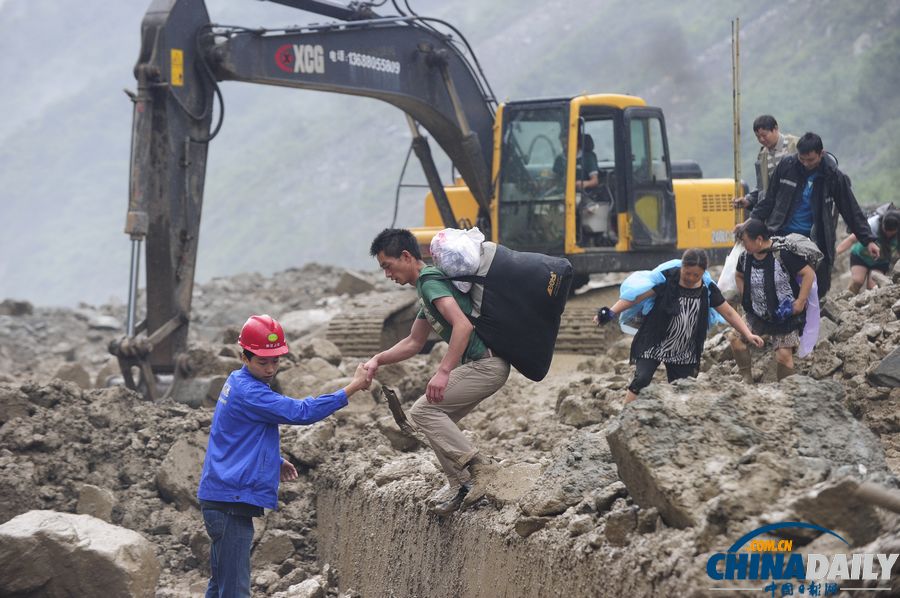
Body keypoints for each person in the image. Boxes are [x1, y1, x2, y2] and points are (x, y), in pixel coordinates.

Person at [198, 314, 370, 598]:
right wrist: (352, 388)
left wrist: (272, 461)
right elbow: (302, 412)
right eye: (263, 362)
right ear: (244, 356)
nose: (270, 369)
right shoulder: (251, 392)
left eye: (275, 361)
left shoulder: (237, 382)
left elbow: (233, 435)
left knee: (221, 586)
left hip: (222, 498)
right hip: (229, 503)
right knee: (235, 590)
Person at [364, 228, 510, 516]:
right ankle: (461, 485)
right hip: (485, 366)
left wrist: (443, 371)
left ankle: (480, 468)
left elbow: (463, 326)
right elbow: (413, 342)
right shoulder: (426, 290)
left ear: (406, 256)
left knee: (422, 412)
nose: (387, 275)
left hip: (487, 364)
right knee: (434, 423)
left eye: (387, 266)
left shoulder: (431, 282)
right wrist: (377, 360)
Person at [594, 249, 763, 404]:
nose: (690, 278)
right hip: (655, 340)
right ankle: (623, 419)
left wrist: (748, 334)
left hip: (684, 347)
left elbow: (729, 313)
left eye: (696, 275)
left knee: (683, 388)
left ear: (703, 272)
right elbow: (635, 298)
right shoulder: (667, 278)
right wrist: (609, 313)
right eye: (687, 273)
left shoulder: (708, 288)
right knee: (642, 379)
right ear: (682, 267)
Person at [748, 132, 879, 298]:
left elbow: (851, 210)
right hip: (782, 233)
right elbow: (769, 198)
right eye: (802, 159)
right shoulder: (788, 166)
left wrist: (868, 240)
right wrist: (752, 224)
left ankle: (811, 318)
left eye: (810, 160)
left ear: (821, 153)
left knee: (818, 286)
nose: (805, 164)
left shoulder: (833, 176)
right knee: (779, 282)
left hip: (815, 239)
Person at [728, 219, 817, 383]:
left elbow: (808, 274)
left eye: (746, 242)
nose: (744, 246)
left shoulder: (783, 254)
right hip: (757, 313)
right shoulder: (746, 258)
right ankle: (746, 378)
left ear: (759, 240)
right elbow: (739, 275)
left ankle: (786, 391)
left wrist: (800, 302)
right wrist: (746, 296)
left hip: (786, 315)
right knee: (735, 339)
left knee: (783, 356)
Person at [733, 115, 798, 211]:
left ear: (775, 129)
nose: (761, 140)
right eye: (758, 137)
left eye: (764, 135)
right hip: (776, 209)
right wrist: (748, 200)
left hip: (796, 203)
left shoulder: (795, 145)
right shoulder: (763, 155)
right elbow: (763, 186)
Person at [836, 208, 900, 294]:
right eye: (886, 231)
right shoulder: (872, 225)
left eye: (891, 232)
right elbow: (851, 239)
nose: (888, 234)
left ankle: (870, 304)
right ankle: (846, 299)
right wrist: (834, 253)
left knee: (873, 287)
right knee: (857, 281)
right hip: (861, 256)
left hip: (881, 261)